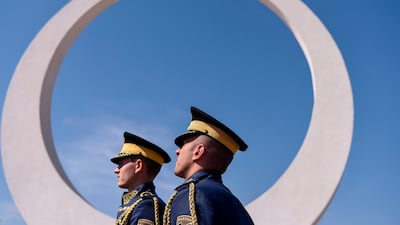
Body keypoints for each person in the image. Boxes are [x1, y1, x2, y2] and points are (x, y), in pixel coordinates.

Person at [163, 106, 254, 225]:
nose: (177, 151)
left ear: (198, 152)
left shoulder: (193, 194)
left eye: (183, 145)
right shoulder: (235, 205)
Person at [111, 131, 171, 225]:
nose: (116, 170)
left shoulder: (146, 206)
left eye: (121, 164)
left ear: (138, 165)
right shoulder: (136, 204)